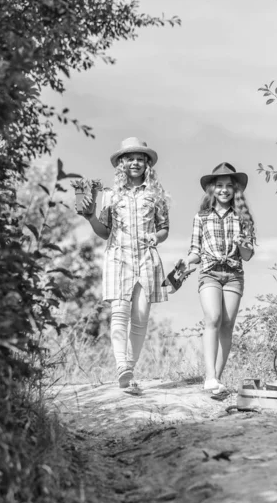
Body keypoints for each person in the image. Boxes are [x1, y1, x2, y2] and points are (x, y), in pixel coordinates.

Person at [78, 137, 169, 389]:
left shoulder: (156, 194)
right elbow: (105, 231)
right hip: (118, 256)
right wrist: (89, 218)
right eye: (131, 158)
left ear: (147, 164)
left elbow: (164, 229)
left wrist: (156, 237)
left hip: (146, 258)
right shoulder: (110, 195)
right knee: (119, 312)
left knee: (140, 316)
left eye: (141, 158)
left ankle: (130, 370)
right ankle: (122, 366)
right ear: (122, 163)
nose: (136, 162)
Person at [177, 162, 255, 396]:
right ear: (212, 189)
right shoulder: (201, 217)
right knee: (213, 317)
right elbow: (195, 251)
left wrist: (243, 244)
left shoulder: (243, 218)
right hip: (209, 272)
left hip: (233, 274)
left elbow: (248, 255)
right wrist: (186, 262)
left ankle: (217, 379)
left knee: (227, 324)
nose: (224, 190)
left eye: (228, 186)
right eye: (219, 185)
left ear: (235, 190)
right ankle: (209, 375)